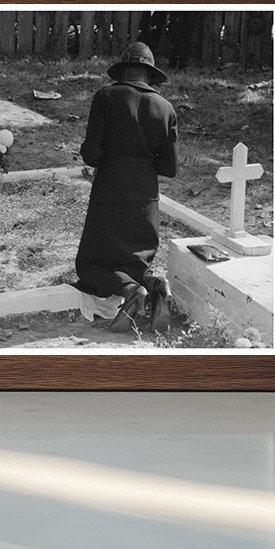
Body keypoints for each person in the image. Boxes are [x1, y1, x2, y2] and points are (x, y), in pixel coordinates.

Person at [74, 42, 178, 334]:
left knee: (92, 264)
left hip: (110, 191)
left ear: (124, 70)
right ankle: (156, 286)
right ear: (149, 73)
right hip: (146, 198)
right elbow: (169, 168)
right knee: (137, 261)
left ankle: (133, 293)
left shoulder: (106, 96)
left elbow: (91, 155)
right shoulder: (166, 108)